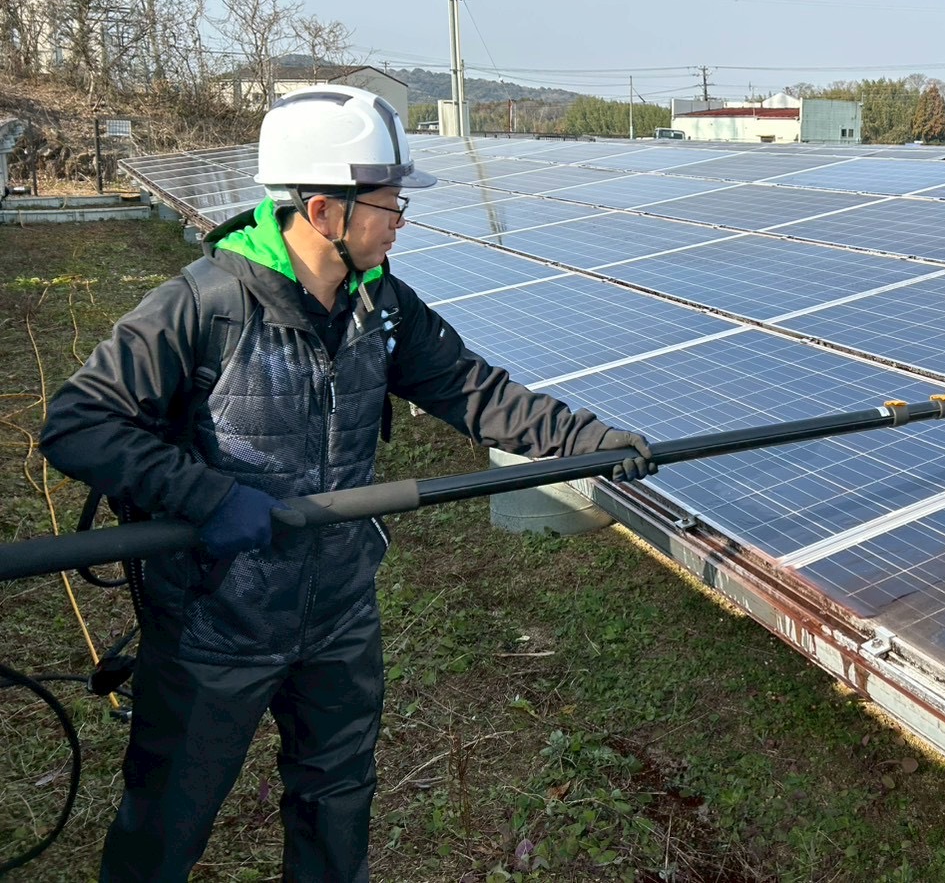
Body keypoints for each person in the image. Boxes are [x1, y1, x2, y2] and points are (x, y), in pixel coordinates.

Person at [40, 84, 656, 883]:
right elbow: (78, 423)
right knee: (168, 820)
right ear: (325, 210)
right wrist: (209, 495)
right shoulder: (204, 304)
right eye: (389, 203)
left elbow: (473, 390)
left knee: (336, 803)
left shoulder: (381, 303)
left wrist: (589, 442)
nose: (401, 220)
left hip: (337, 616)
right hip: (212, 625)